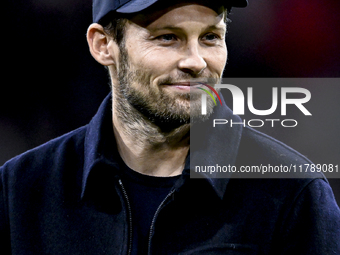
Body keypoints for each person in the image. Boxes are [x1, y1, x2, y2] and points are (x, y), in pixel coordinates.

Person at [1, 0, 339, 254]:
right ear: (103, 45)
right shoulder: (20, 189)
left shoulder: (292, 192)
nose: (195, 61)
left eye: (210, 37)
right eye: (167, 37)